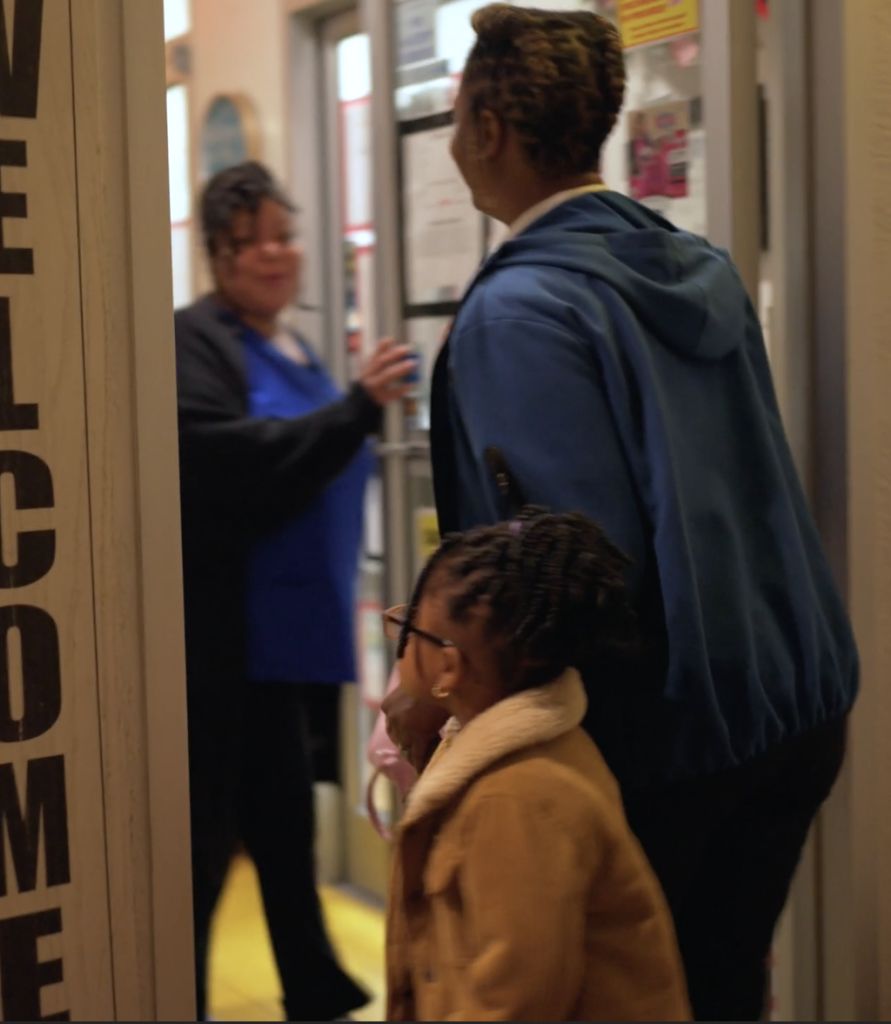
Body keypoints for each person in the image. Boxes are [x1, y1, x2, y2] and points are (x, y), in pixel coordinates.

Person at [384, 6, 858, 1021]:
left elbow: (561, 574)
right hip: (792, 699)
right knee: (723, 985)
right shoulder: (694, 267)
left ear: (490, 132)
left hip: (667, 739)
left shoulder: (522, 311)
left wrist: (433, 680)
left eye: (459, 113)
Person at [175, 161, 414, 1022]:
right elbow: (229, 458)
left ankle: (313, 986)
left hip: (287, 639)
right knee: (204, 848)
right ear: (215, 256)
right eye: (251, 243)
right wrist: (355, 407)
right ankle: (178, 999)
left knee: (284, 828)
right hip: (223, 642)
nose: (273, 255)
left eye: (283, 234)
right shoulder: (195, 339)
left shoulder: (295, 341)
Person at [384, 508, 691, 1022]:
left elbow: (516, 1001)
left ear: (448, 667)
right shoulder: (503, 756)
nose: (400, 635)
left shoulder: (517, 802)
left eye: (409, 625)